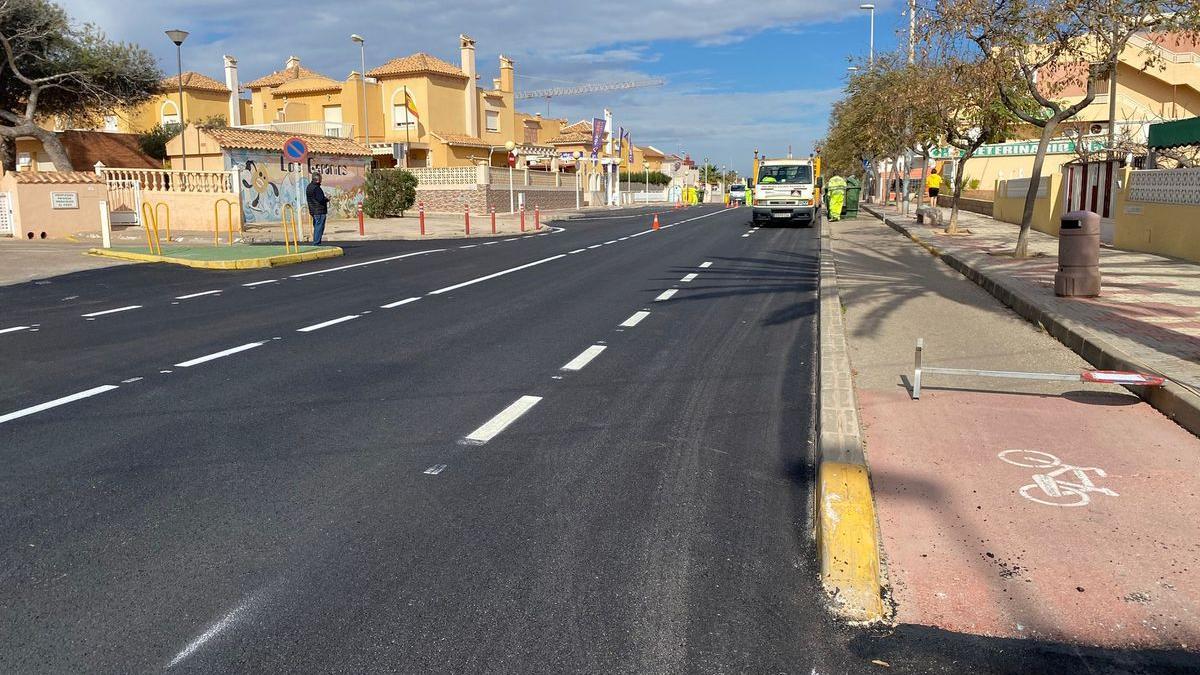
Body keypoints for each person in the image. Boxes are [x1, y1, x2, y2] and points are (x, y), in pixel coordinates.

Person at [305, 172, 329, 245]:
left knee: (316, 227)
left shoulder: (309, 187)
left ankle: (316, 242)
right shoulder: (317, 188)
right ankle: (317, 243)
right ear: (318, 180)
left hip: (313, 210)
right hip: (319, 210)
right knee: (319, 227)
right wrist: (327, 199)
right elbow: (320, 199)